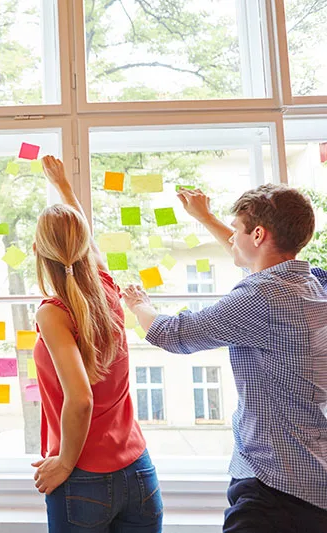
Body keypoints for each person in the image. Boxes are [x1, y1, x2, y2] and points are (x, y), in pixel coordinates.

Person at [123, 184, 327, 533]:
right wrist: (207, 218)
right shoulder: (314, 283)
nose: (232, 237)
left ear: (259, 234)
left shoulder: (261, 296)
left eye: (236, 229)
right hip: (313, 477)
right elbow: (257, 258)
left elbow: (173, 334)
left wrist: (139, 304)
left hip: (274, 489)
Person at [31, 156, 162, 532]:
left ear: (38, 251)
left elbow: (81, 397)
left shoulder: (53, 313)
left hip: (83, 478)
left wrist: (65, 463)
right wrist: (65, 188)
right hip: (138, 471)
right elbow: (85, 239)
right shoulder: (107, 286)